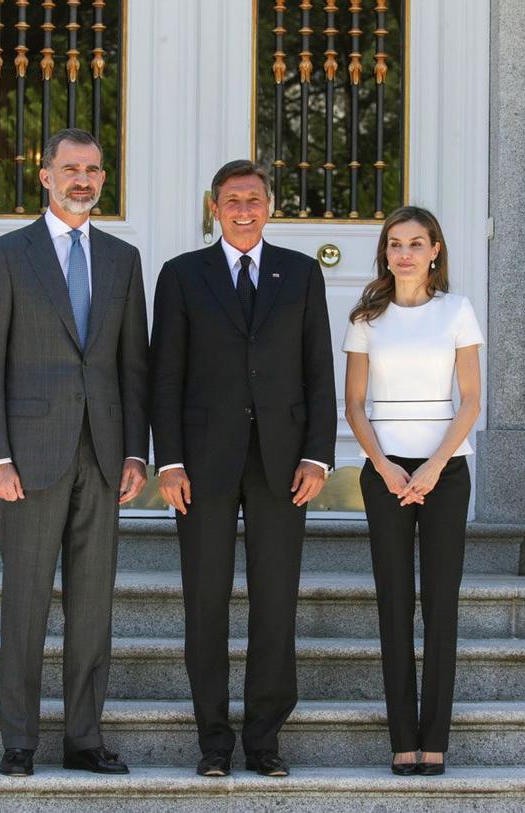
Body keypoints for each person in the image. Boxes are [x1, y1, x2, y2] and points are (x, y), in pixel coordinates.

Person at [0, 128, 149, 777]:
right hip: (29, 458)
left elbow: (134, 366)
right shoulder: (6, 256)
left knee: (93, 603)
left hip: (102, 455)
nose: (83, 179)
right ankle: (19, 739)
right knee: (27, 601)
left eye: (94, 169)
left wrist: (136, 454)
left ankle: (83, 736)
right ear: (44, 176)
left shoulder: (124, 260)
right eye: (71, 168)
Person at [149, 159, 337, 778]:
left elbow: (318, 371)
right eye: (232, 199)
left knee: (275, 600)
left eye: (254, 198)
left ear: (270, 206)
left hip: (285, 463)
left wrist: (318, 453)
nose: (244, 209)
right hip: (200, 463)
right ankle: (213, 742)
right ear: (214, 207)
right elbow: (166, 375)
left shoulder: (303, 274)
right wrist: (168, 461)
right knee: (205, 600)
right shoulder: (181, 276)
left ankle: (264, 740)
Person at [342, 206, 483, 777]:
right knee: (394, 603)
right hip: (384, 473)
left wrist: (432, 467)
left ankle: (436, 740)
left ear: (435, 251)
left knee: (440, 606)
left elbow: (470, 400)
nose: (404, 253)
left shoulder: (458, 311)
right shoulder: (365, 318)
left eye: (416, 243)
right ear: (385, 252)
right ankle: (403, 738)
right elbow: (353, 405)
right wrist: (385, 466)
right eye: (395, 243)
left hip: (444, 473)